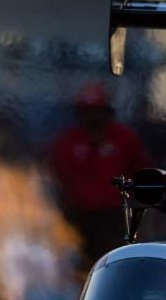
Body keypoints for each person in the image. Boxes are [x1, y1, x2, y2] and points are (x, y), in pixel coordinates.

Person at [50, 82, 151, 261]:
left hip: (114, 216)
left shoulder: (124, 139)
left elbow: (142, 174)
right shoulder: (68, 142)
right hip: (79, 217)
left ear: (106, 113)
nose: (92, 117)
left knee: (115, 260)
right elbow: (58, 178)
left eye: (97, 111)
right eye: (87, 111)